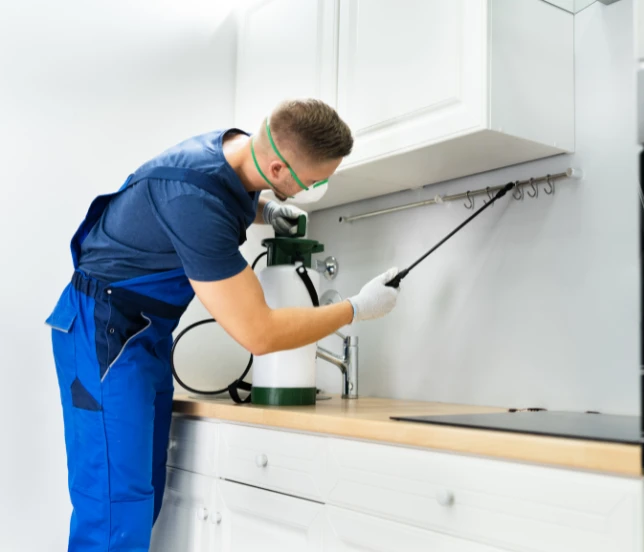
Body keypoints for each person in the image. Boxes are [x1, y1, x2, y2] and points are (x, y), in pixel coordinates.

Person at [45, 99, 400, 551]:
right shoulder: (193, 201)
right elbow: (259, 332)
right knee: (114, 514)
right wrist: (356, 308)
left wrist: (264, 210)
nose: (318, 184)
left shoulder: (234, 151)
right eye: (316, 179)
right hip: (103, 332)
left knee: (140, 498)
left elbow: (224, 193)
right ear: (276, 167)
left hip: (141, 334)